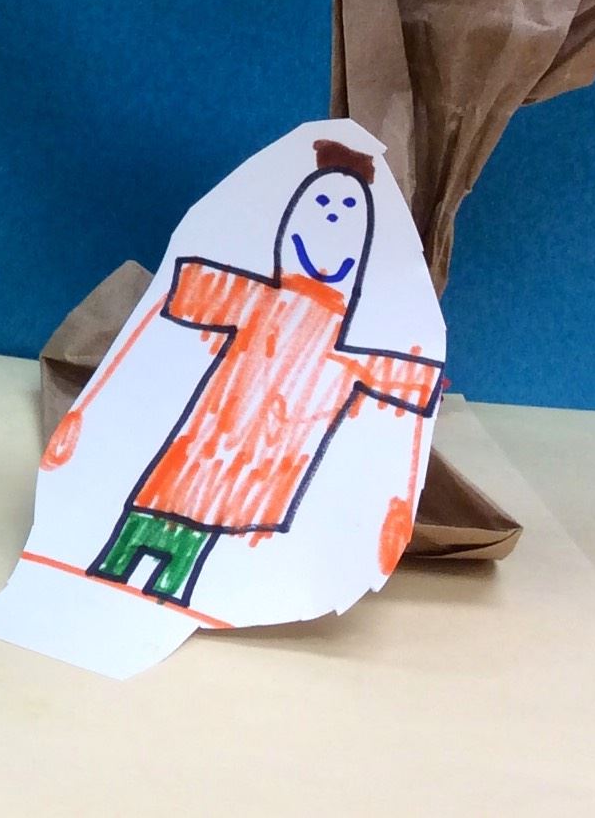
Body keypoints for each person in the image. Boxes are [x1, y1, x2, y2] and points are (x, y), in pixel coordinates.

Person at [82, 140, 443, 607]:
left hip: (268, 453)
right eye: (322, 203)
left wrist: (419, 379)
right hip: (211, 432)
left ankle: (167, 580)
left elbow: (391, 375)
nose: (333, 218)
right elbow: (188, 288)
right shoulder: (253, 299)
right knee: (171, 495)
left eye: (348, 210)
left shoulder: (341, 339)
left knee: (215, 512)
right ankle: (123, 565)